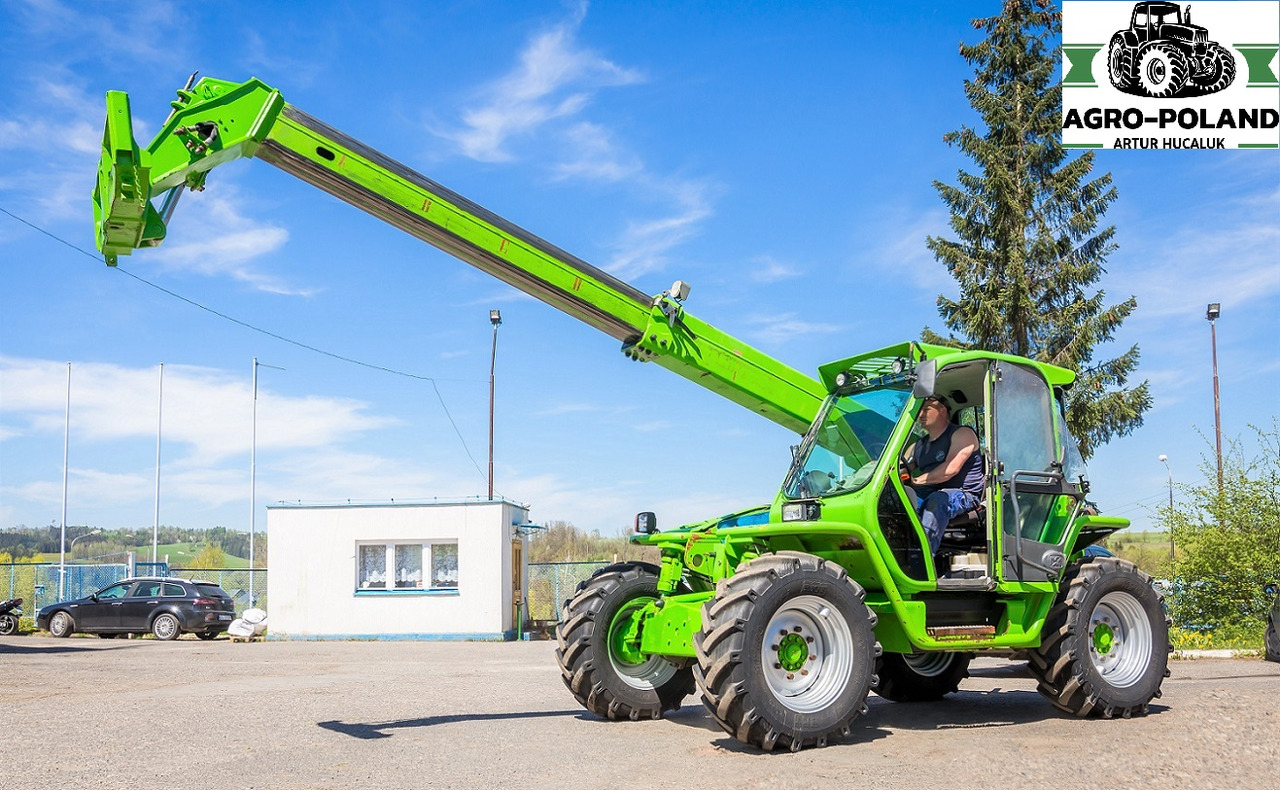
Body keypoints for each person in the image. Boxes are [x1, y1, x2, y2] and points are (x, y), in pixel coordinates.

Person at [903, 394, 985, 554]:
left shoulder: (963, 434)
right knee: (897, 501)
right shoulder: (918, 446)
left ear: (942, 410)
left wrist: (915, 480)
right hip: (930, 491)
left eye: (926, 409)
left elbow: (950, 470)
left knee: (938, 500)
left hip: (963, 493)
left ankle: (923, 560)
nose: (921, 414)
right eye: (920, 410)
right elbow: (902, 465)